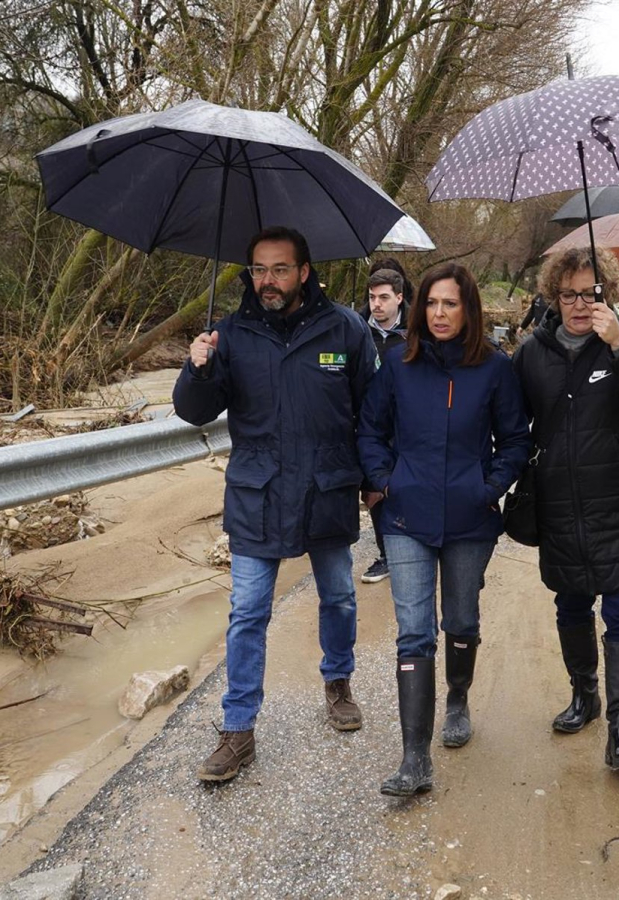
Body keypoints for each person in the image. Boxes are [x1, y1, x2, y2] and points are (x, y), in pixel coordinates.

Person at [174, 226, 377, 782]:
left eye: (280, 269)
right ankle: (238, 728)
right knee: (247, 613)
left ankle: (338, 683)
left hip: (327, 488)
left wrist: (374, 477)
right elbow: (193, 411)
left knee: (339, 597)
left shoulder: (346, 328)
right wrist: (197, 367)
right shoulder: (229, 335)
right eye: (259, 270)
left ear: (304, 272)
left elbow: (372, 410)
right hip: (258, 495)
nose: (268, 280)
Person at [358, 263, 530, 796]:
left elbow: (516, 440)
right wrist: (385, 480)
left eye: (450, 304)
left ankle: (458, 698)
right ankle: (415, 759)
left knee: (460, 618)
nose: (438, 313)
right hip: (405, 517)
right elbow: (370, 430)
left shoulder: (495, 369)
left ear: (468, 309)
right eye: (430, 303)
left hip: (470, 520)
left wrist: (489, 486)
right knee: (414, 631)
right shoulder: (398, 364)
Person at [512, 246, 619, 775]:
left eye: (590, 294)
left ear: (611, 294)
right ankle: (585, 694)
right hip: (562, 505)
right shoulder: (532, 354)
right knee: (572, 606)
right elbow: (512, 422)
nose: (579, 305)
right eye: (568, 295)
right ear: (553, 297)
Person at [359, 267, 409, 584]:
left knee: (403, 489)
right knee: (374, 491)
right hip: (370, 423)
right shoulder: (357, 330)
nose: (376, 304)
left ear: (399, 298)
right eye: (372, 297)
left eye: (384, 297)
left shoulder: (415, 332)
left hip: (407, 423)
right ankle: (387, 554)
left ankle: (411, 548)